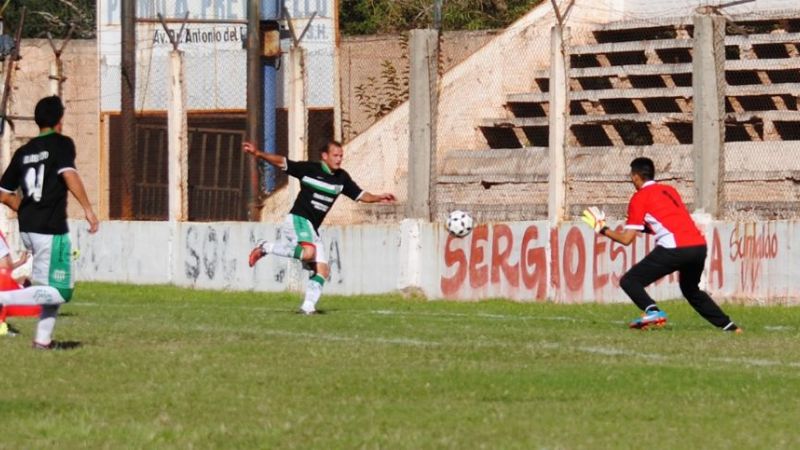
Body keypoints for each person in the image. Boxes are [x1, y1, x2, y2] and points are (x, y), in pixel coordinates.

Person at [581, 157, 740, 332]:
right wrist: (644, 228)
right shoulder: (669, 190)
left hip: (675, 248)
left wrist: (602, 229)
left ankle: (653, 311)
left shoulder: (639, 197)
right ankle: (730, 327)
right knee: (691, 290)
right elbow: (669, 221)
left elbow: (626, 240)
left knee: (630, 281)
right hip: (698, 246)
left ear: (635, 176)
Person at [243, 140, 395, 314]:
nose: (339, 159)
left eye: (341, 156)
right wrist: (258, 154)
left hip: (311, 227)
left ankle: (308, 307)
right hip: (298, 219)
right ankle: (265, 247)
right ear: (325, 156)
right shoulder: (309, 169)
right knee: (309, 253)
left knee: (322, 270)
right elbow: (282, 162)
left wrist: (378, 197)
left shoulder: (341, 178)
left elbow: (359, 195)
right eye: (335, 156)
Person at [0, 95, 99, 349]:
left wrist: (24, 208)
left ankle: (43, 341)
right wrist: (88, 209)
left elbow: (3, 191)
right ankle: (3, 298)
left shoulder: (23, 152)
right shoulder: (61, 143)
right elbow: (68, 174)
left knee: (50, 288)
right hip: (50, 228)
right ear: (59, 120)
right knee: (61, 291)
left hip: (28, 226)